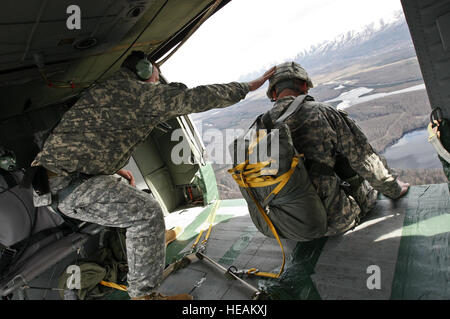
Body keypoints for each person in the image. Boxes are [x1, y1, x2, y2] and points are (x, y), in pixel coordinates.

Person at [30, 51, 275, 300]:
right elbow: (197, 97)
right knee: (147, 213)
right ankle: (144, 295)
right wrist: (248, 86)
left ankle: (151, 245)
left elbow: (91, 135)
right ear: (146, 70)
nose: (158, 81)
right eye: (156, 75)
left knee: (131, 196)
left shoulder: (110, 88)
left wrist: (112, 169)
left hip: (63, 177)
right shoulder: (141, 94)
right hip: (66, 185)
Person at [265, 62, 410, 237]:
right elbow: (364, 159)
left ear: (273, 93)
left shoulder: (261, 127)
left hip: (286, 227)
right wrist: (393, 189)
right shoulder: (323, 112)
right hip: (334, 221)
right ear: (304, 85)